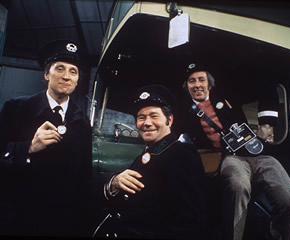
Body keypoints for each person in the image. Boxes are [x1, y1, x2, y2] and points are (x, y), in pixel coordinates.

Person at [177, 63, 290, 240]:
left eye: (201, 80)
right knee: (238, 186)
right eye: (191, 81)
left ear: (209, 84)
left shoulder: (228, 95)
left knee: (289, 200)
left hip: (259, 154)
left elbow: (267, 86)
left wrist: (266, 124)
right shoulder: (183, 112)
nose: (197, 85)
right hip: (232, 159)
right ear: (187, 86)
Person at [0, 40, 92, 237]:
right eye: (59, 69)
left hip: (61, 222)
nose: (66, 76)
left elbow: (83, 180)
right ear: (46, 74)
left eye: (73, 72)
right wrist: (28, 148)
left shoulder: (82, 122)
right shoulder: (16, 109)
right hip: (19, 218)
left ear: (77, 81)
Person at [98, 85, 207, 239]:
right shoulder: (148, 154)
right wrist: (115, 182)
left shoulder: (182, 154)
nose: (147, 123)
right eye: (141, 117)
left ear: (169, 120)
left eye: (154, 116)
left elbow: (188, 222)